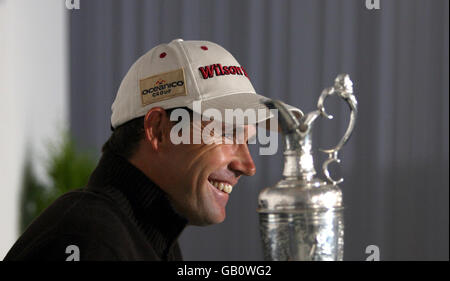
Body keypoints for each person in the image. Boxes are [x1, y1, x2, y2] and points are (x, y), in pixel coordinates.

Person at [4, 39, 301, 261]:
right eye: (227, 132)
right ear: (158, 130)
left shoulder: (149, 240)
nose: (248, 166)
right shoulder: (91, 239)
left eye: (248, 139)